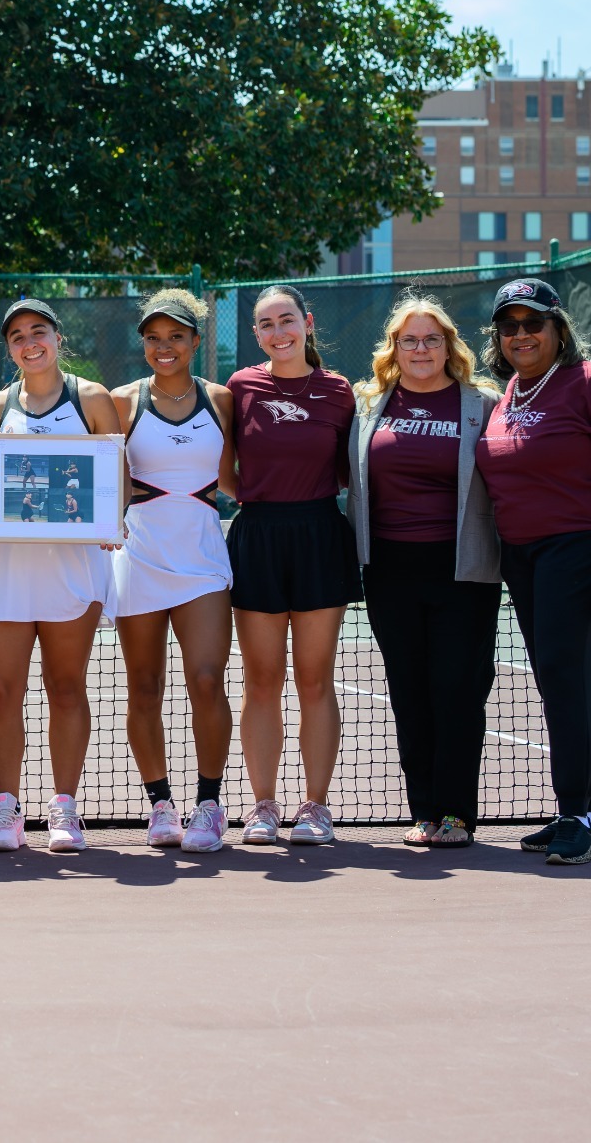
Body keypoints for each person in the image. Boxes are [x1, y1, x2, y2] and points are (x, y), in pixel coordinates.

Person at [475, 278, 591, 866]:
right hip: (521, 559)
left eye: (533, 323)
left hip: (575, 553)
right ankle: (588, 816)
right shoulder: (508, 396)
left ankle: (578, 811)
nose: (521, 334)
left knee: (567, 682)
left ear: (557, 328)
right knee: (556, 682)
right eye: (510, 325)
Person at [347, 295, 501, 849]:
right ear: (393, 348)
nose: (420, 349)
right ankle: (424, 813)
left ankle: (457, 814)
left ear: (448, 346)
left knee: (458, 690)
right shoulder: (368, 404)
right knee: (409, 691)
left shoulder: (483, 403)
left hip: (464, 569)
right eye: (409, 340)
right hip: (388, 569)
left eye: (431, 339)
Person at [0, 298, 121, 853]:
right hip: (8, 567)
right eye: (16, 336)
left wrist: (112, 518)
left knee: (65, 687)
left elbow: (114, 472)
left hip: (74, 565)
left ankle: (64, 809)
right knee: (1, 690)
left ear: (58, 338)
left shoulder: (93, 399)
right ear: (8, 348)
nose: (29, 342)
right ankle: (5, 810)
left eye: (39, 331)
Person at [225, 284, 360, 846]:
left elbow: (350, 469)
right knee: (261, 681)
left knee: (314, 680)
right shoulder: (239, 387)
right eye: (265, 324)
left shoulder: (339, 391)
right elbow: (224, 463)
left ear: (306, 324)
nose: (278, 332)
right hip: (257, 535)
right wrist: (252, 498)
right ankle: (262, 807)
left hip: (320, 536)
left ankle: (316, 807)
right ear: (255, 334)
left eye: (287, 321)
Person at [109, 290, 237, 853]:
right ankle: (160, 804)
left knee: (207, 681)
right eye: (154, 338)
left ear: (195, 341)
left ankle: (209, 804)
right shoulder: (119, 401)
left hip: (204, 556)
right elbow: (98, 478)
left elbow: (234, 478)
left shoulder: (222, 400)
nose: (165, 347)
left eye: (176, 337)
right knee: (144, 686)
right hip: (139, 554)